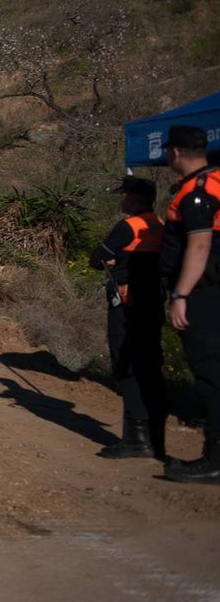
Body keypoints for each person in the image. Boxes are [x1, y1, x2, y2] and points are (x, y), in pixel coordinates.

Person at [89, 176, 167, 459]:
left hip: (126, 303)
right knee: (149, 365)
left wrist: (114, 260)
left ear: (133, 198)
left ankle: (137, 439)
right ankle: (155, 436)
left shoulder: (127, 227)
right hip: (154, 303)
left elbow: (96, 258)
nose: (121, 199)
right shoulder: (161, 226)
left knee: (127, 366)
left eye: (123, 195)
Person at [159, 124, 220, 485]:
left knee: (211, 375)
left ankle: (214, 459)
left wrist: (180, 294)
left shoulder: (195, 194)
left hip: (204, 294)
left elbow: (198, 246)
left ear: (176, 152)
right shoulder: (215, 181)